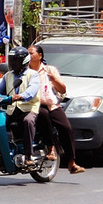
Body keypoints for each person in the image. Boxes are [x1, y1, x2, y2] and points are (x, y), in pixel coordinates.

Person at [29, 45, 86, 174]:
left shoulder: (50, 70)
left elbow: (63, 89)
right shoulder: (27, 72)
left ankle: (72, 162)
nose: (29, 56)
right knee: (43, 116)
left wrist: (53, 79)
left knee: (66, 128)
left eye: (31, 53)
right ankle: (50, 148)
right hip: (36, 104)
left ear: (40, 56)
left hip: (53, 104)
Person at [0, 46, 41, 166]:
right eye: (12, 60)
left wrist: (21, 96)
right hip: (12, 110)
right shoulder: (8, 75)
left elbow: (32, 91)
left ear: (24, 61)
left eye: (16, 61)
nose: (13, 63)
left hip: (28, 108)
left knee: (28, 121)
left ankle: (29, 155)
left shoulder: (33, 74)